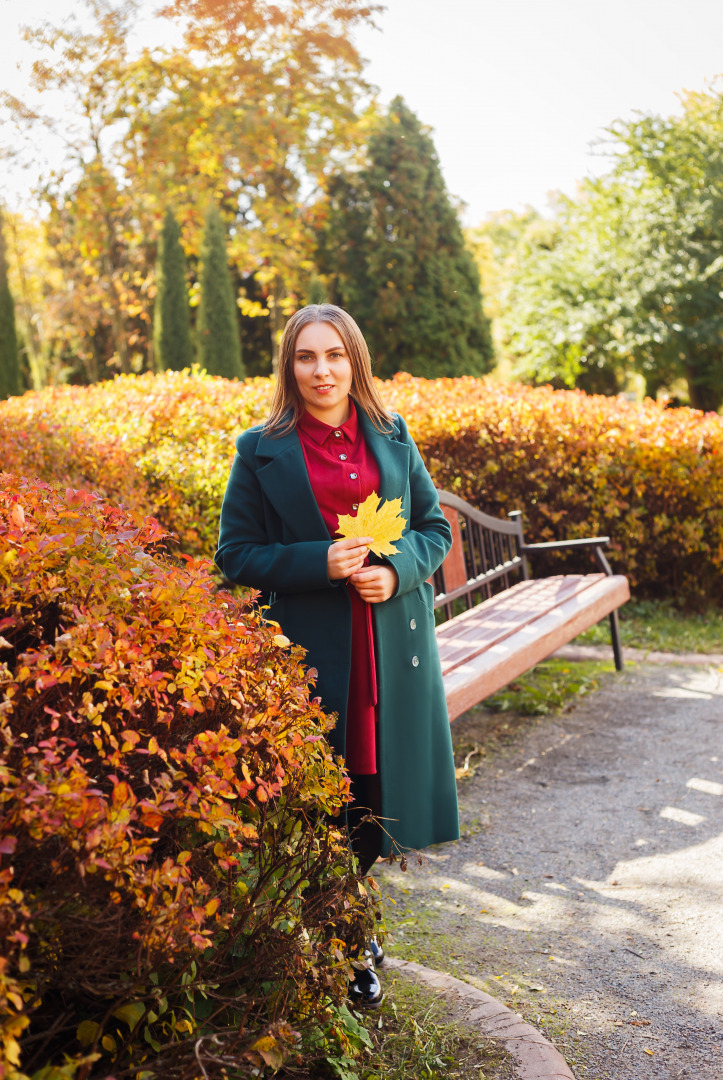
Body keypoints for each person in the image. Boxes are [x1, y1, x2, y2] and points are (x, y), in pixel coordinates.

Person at [215, 304, 459, 1004]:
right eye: (305, 357)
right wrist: (316, 561)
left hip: (390, 650)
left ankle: (354, 924)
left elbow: (433, 528)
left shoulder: (390, 432)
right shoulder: (259, 449)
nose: (321, 371)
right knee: (333, 800)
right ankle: (347, 940)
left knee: (378, 794)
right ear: (288, 367)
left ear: (355, 360)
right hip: (316, 653)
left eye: (334, 356)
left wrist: (398, 570)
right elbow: (235, 555)